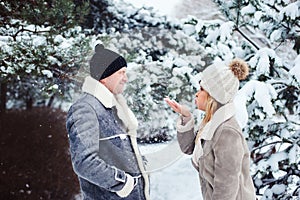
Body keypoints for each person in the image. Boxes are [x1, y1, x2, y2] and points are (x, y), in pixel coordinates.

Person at [66, 44, 150, 200]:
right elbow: (84, 162)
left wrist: (139, 165)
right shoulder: (86, 109)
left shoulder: (115, 108)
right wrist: (123, 182)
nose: (125, 79)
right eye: (121, 73)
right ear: (104, 76)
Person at [165, 59, 256, 200]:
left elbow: (226, 187)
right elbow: (189, 148)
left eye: (202, 89)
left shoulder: (227, 132)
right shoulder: (211, 123)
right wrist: (186, 116)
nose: (197, 94)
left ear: (214, 96)